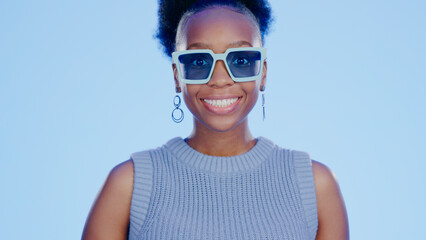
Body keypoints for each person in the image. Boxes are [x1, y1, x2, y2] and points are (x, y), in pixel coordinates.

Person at [82, 0, 349, 239]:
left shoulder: (315, 188)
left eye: (241, 59)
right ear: (177, 75)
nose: (220, 79)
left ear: (263, 72)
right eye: (198, 62)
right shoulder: (129, 185)